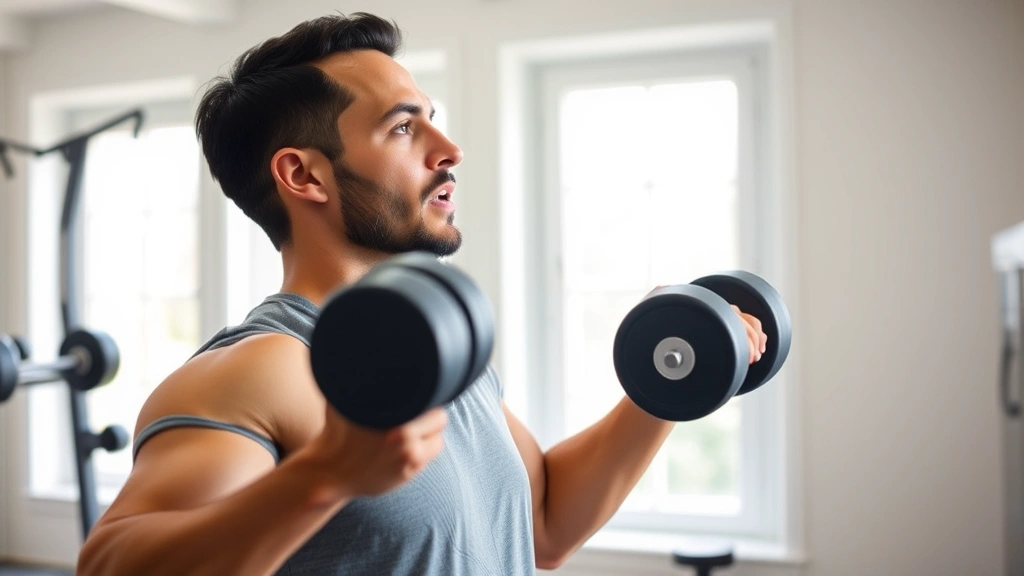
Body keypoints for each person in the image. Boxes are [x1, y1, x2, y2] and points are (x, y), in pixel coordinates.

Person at [76, 12, 767, 576]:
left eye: (430, 118)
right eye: (403, 127)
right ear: (303, 175)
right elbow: (111, 564)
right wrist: (323, 476)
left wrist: (670, 381)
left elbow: (544, 526)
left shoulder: (434, 347)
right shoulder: (263, 370)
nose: (449, 149)